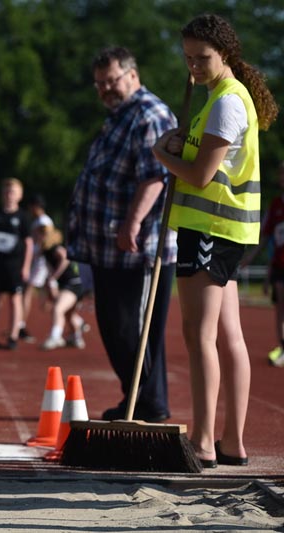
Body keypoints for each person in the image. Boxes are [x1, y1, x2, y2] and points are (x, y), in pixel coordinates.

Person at [152, 14, 279, 467]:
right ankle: (231, 442)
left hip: (211, 229)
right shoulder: (222, 97)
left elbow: (203, 176)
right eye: (188, 58)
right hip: (227, 231)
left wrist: (161, 155)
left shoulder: (226, 102)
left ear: (224, 53)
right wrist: (177, 145)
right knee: (230, 336)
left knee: (199, 335)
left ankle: (204, 441)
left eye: (202, 57)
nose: (194, 67)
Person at [67, 46, 178, 423]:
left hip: (136, 246)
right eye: (99, 84)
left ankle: (149, 405)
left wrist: (132, 223)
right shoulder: (118, 116)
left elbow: (156, 177)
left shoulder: (150, 114)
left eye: (110, 81)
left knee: (135, 329)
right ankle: (137, 397)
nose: (104, 90)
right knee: (115, 328)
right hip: (106, 247)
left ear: (132, 74)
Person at [0, 178, 33, 350]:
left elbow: (29, 244)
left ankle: (13, 335)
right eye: (7, 191)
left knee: (15, 300)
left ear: (20, 195)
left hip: (15, 266)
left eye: (13, 192)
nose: (9, 195)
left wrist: (26, 267)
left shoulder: (23, 217)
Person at [242, 161, 284, 367]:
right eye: (281, 173)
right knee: (280, 307)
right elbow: (265, 237)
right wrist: (250, 257)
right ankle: (283, 347)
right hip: (279, 265)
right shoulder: (276, 205)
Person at [38, 228, 87, 350]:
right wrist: (51, 287)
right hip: (69, 285)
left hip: (74, 284)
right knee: (69, 314)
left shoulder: (55, 248)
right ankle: (76, 336)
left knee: (58, 308)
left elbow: (65, 258)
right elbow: (49, 274)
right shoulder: (45, 252)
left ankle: (56, 337)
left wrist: (54, 277)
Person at [22, 193, 55, 343]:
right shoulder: (40, 220)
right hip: (40, 260)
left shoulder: (43, 221)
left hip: (41, 261)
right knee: (51, 294)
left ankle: (20, 323)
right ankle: (77, 322)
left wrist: (40, 250)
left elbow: (47, 238)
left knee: (29, 290)